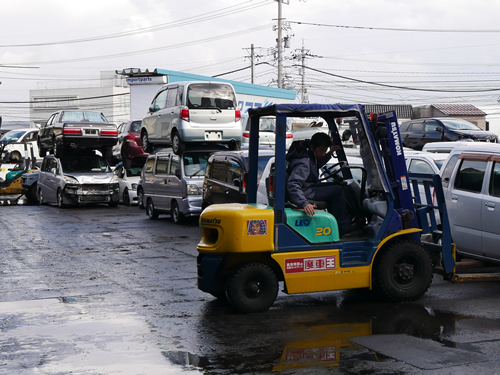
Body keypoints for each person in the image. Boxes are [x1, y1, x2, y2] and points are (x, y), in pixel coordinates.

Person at [286, 132, 355, 236]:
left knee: (338, 187)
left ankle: (338, 222)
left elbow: (314, 166)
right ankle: (343, 226)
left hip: (309, 187)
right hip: (307, 192)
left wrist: (329, 154)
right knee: (338, 191)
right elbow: (293, 184)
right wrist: (304, 203)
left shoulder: (308, 155)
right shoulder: (304, 162)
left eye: (325, 151)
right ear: (312, 147)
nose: (323, 154)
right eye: (321, 151)